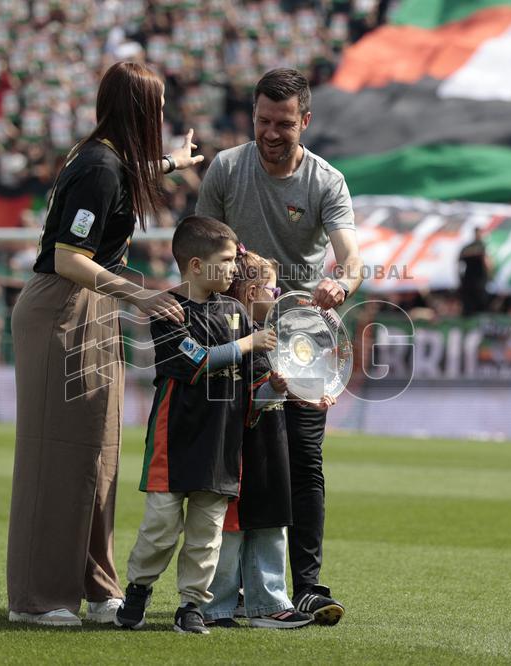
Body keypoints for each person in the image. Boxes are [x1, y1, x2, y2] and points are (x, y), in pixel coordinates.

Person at [6, 62, 202, 628]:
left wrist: (173, 163)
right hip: (62, 307)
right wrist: (137, 295)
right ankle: (38, 599)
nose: (163, 117)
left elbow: (123, 173)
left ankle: (96, 585)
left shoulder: (105, 159)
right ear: (139, 110)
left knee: (98, 450)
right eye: (157, 107)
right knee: (58, 455)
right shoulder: (97, 165)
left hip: (90, 306)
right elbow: (69, 257)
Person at [195, 67, 362, 625]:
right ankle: (229, 593)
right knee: (233, 464)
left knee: (304, 460)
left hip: (303, 340)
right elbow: (199, 247)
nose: (270, 131)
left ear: (305, 121)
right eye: (263, 120)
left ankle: (308, 586)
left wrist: (342, 282)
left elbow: (352, 257)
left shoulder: (326, 181)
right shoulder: (225, 169)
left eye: (283, 123)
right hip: (235, 333)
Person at [114, 216, 277, 635]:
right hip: (175, 440)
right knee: (160, 528)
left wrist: (276, 385)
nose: (233, 270)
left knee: (207, 534)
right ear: (196, 266)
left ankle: (191, 605)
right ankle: (139, 588)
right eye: (225, 261)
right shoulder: (166, 309)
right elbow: (197, 361)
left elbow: (256, 378)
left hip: (222, 444)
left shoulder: (238, 312)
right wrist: (246, 344)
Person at [201, 248, 318, 630]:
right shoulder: (237, 337)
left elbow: (271, 392)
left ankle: (269, 603)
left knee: (272, 523)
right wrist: (272, 388)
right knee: (231, 529)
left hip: (270, 445)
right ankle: (216, 606)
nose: (278, 291)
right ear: (252, 292)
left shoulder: (268, 337)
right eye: (272, 286)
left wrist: (301, 391)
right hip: (238, 450)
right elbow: (238, 400)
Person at [458, 227, 492, 317]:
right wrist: (490, 275)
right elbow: (487, 263)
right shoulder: (482, 246)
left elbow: (459, 264)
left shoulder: (466, 248)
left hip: (468, 281)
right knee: (481, 306)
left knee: (469, 307)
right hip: (478, 281)